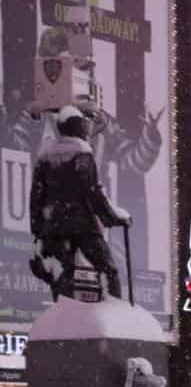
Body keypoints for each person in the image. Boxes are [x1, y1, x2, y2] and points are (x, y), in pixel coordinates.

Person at [28, 112, 131, 300]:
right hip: (82, 224)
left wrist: (37, 230)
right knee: (108, 269)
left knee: (63, 274)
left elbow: (36, 197)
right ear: (78, 129)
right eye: (84, 126)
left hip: (54, 226)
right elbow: (92, 191)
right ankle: (114, 309)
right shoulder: (82, 153)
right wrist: (112, 217)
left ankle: (63, 314)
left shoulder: (45, 157)